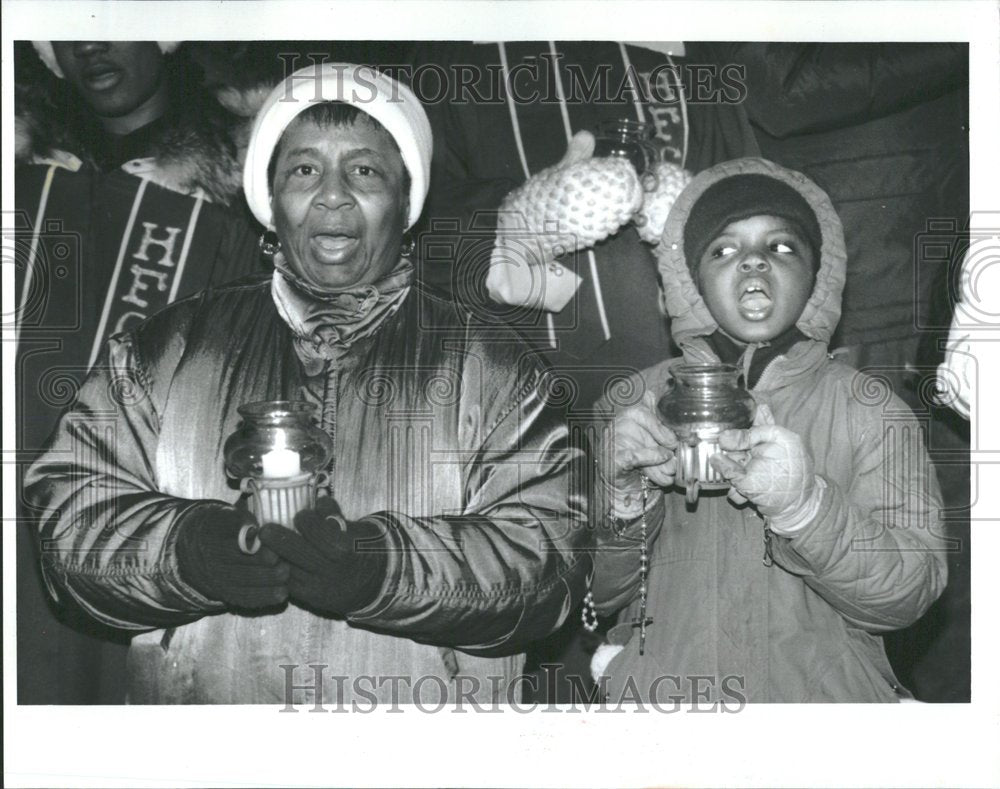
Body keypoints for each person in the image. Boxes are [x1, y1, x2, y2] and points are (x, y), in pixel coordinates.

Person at [24, 63, 591, 705]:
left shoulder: (497, 368)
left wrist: (377, 567)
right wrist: (189, 551)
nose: (332, 194)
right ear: (270, 201)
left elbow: (549, 562)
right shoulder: (165, 348)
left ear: (408, 201)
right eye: (303, 170)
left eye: (366, 170)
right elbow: (69, 515)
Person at [590, 158, 948, 702]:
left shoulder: (870, 409)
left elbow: (907, 596)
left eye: (782, 247)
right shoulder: (634, 405)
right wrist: (620, 500)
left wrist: (806, 509)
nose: (754, 261)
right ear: (688, 279)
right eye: (724, 249)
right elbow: (589, 595)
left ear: (820, 275)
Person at [15, 41, 267, 704]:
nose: (88, 44)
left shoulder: (245, 193)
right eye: (63, 30)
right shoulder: (22, 175)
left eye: (111, 17)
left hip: (146, 547)